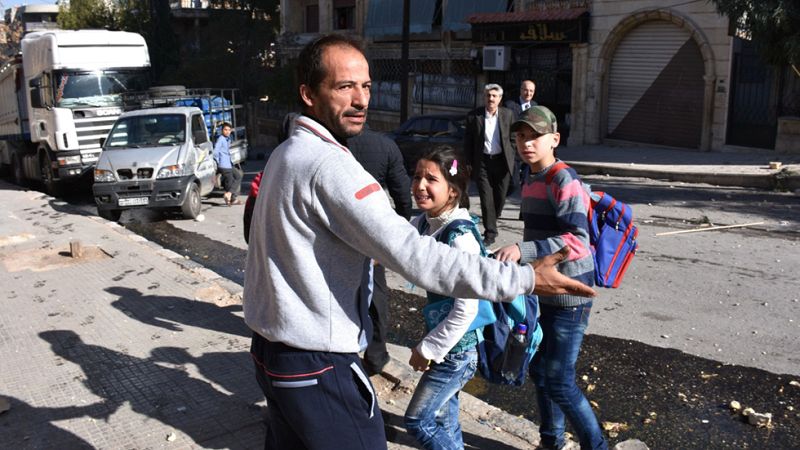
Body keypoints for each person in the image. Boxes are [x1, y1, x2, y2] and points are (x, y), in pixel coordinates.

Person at [244, 33, 595, 450]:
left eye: (367, 86)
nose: (361, 100)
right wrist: (521, 280)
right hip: (315, 363)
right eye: (344, 87)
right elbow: (416, 257)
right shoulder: (330, 167)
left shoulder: (286, 154)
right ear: (308, 93)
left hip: (273, 355)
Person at [494, 106, 607, 450]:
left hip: (569, 297)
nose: (526, 143)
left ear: (554, 140)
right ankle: (551, 441)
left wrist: (522, 250)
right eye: (520, 137)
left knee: (558, 380)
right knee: (542, 373)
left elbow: (577, 240)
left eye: (534, 137)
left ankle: (596, 446)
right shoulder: (530, 177)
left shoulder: (564, 179)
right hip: (545, 291)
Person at [403, 145, 482, 449]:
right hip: (444, 343)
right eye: (417, 176)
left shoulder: (459, 237)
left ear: (452, 192)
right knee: (445, 422)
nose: (420, 185)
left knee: (418, 421)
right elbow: (393, 242)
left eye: (431, 179)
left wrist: (428, 348)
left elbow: (467, 310)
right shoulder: (424, 222)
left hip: (457, 353)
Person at [348, 127, 412, 376]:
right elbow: (402, 193)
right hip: (373, 235)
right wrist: (395, 232)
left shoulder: (330, 144)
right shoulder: (385, 145)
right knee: (376, 295)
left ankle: (346, 350)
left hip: (335, 233)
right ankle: (375, 354)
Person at [464, 83, 515, 246]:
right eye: (488, 95)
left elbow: (513, 138)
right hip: (483, 163)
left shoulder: (508, 115)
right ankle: (490, 233)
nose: (491, 98)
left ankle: (493, 217)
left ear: (500, 99)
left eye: (494, 96)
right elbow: (468, 142)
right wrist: (467, 163)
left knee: (499, 198)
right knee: (486, 199)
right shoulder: (474, 116)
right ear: (484, 97)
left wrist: (515, 158)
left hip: (502, 162)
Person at [212, 122, 242, 206]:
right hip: (224, 165)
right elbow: (215, 152)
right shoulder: (221, 139)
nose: (227, 131)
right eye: (225, 130)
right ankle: (231, 198)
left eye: (229, 130)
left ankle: (229, 195)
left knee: (238, 176)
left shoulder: (228, 139)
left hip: (228, 164)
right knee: (230, 182)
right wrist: (219, 161)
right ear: (222, 130)